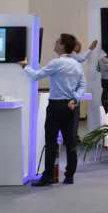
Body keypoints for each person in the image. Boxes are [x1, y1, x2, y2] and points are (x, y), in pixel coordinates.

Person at [21, 33, 87, 186]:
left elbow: (36, 76)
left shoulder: (56, 63)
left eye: (58, 41)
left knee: (51, 142)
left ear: (63, 45)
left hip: (56, 106)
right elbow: (83, 85)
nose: (55, 43)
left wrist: (25, 66)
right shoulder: (77, 65)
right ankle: (69, 177)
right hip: (71, 106)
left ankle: (48, 177)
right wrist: (76, 98)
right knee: (70, 143)